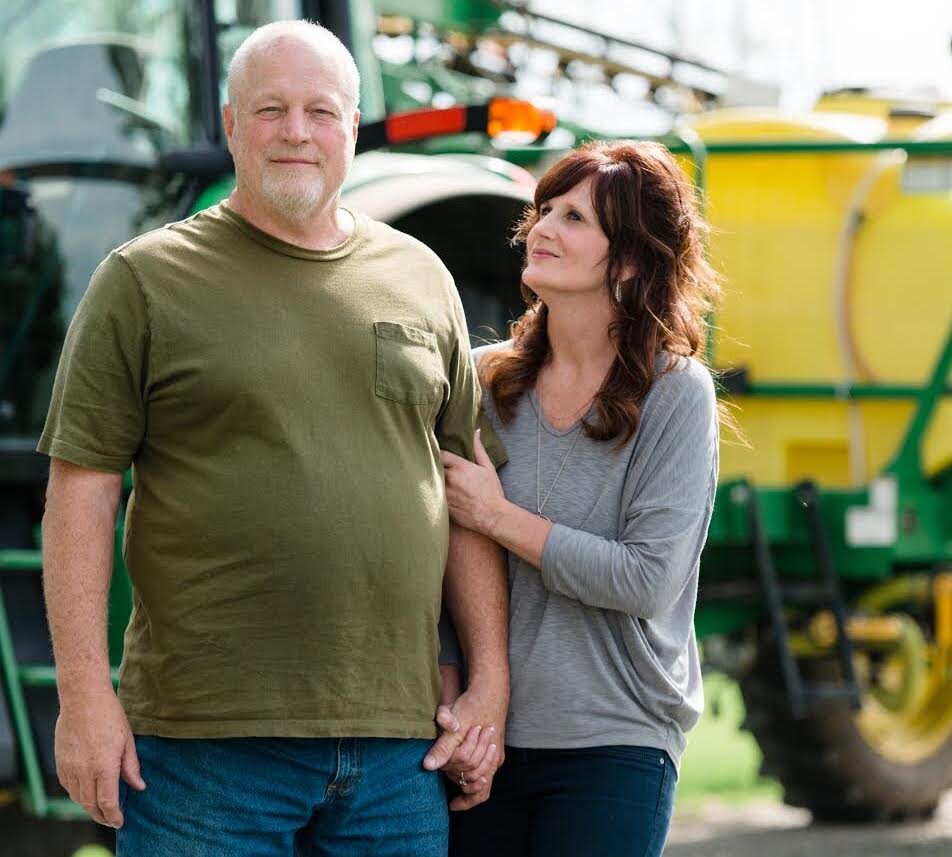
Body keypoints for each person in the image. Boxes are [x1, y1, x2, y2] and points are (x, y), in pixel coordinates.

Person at [38, 20, 509, 857]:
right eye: (270, 110)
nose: (297, 132)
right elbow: (81, 489)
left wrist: (490, 686)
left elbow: (465, 494)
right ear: (227, 126)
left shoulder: (421, 276)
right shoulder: (144, 279)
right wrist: (83, 694)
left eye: (321, 111)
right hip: (207, 754)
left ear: (354, 130)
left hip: (397, 751)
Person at [440, 140, 722, 857]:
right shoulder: (483, 381)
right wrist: (458, 698)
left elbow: (646, 578)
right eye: (545, 210)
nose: (542, 228)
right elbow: (442, 553)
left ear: (628, 260)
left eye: (574, 218)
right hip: (486, 735)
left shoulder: (675, 393)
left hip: (616, 740)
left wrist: (498, 516)